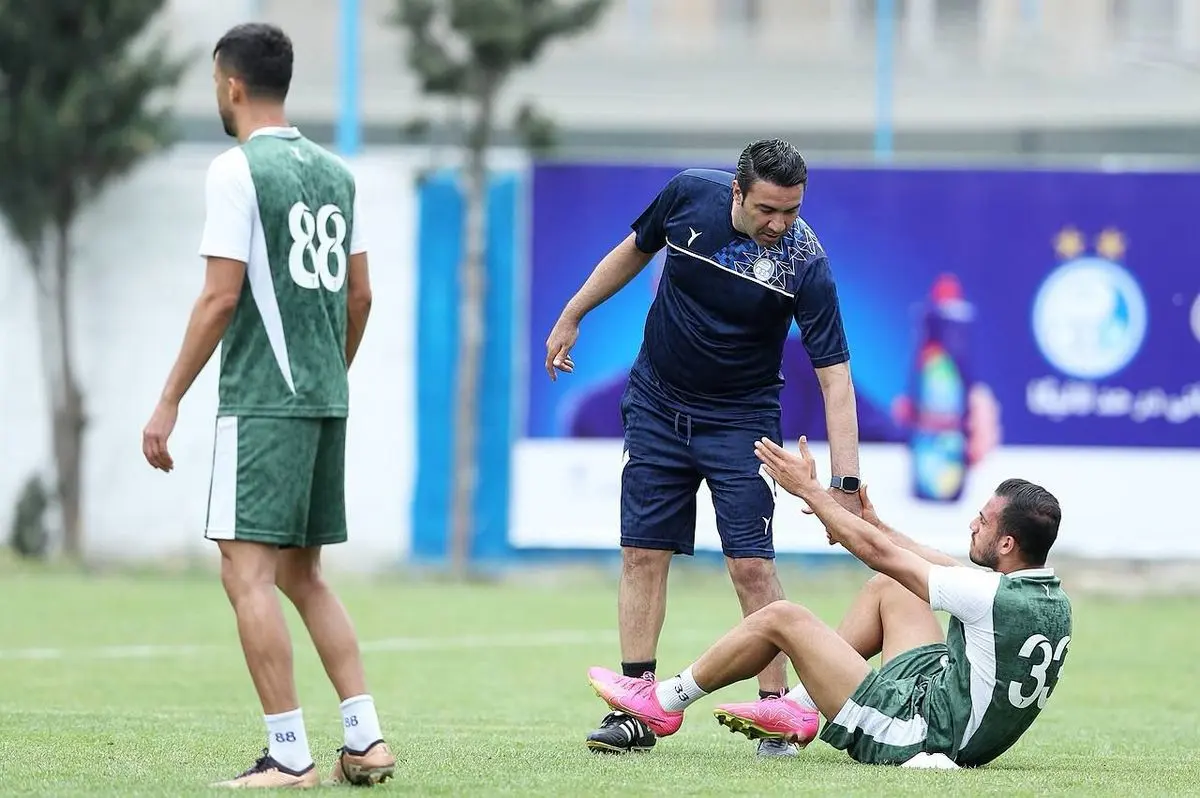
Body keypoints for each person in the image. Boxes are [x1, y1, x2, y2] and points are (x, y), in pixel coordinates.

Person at [545, 139, 865, 757]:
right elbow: (631, 254)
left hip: (742, 422)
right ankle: (637, 706)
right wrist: (572, 314)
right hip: (657, 406)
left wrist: (845, 488)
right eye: (768, 210)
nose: (780, 225)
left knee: (751, 566)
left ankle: (776, 714)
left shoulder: (806, 262)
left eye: (791, 211)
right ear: (737, 192)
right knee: (642, 554)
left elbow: (835, 378)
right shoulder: (690, 193)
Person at [141, 23, 395, 789]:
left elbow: (220, 297)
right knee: (302, 576)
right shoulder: (336, 173)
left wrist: (166, 402)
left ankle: (289, 756)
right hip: (323, 401)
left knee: (245, 575)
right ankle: (366, 739)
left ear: (229, 84)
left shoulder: (234, 171)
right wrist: (326, 377)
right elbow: (362, 295)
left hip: (261, 407)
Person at [587, 436, 1071, 769]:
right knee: (893, 588)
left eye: (983, 522)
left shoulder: (988, 596)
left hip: (921, 733)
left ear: (1006, 544)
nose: (972, 524)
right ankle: (799, 707)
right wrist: (873, 524)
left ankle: (663, 702)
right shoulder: (1045, 596)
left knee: (782, 617)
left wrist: (810, 492)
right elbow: (925, 562)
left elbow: (880, 556)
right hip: (951, 711)